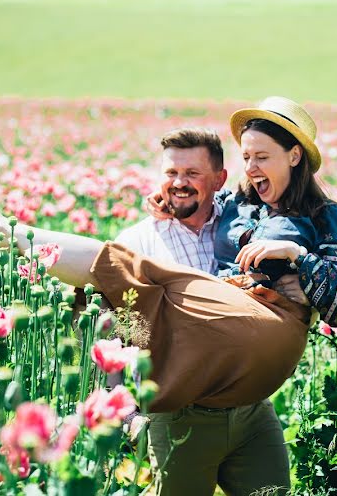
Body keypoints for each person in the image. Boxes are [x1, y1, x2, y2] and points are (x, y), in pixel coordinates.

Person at [0, 97, 337, 492]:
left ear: (294, 156)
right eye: (246, 157)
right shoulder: (238, 205)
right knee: (135, 276)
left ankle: (2, 232)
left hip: (255, 388)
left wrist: (300, 258)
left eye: (261, 157)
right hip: (205, 369)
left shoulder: (325, 217)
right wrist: (170, 198)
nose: (251, 167)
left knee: (143, 275)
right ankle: (2, 233)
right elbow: (196, 199)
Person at [114, 127, 293, 495]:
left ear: (219, 180)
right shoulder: (137, 244)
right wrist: (127, 414)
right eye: (170, 173)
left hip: (251, 409)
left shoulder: (242, 229)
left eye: (192, 174)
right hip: (179, 415)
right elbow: (111, 332)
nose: (179, 183)